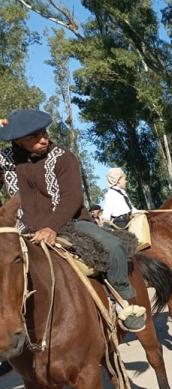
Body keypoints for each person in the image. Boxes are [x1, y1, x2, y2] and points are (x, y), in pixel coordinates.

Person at [0, 110, 146, 332]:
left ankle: (123, 301)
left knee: (114, 246)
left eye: (43, 132)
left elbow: (72, 199)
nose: (43, 139)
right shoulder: (6, 161)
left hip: (70, 223)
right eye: (33, 136)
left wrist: (51, 226)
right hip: (23, 229)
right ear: (17, 140)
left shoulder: (63, 158)